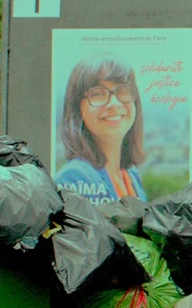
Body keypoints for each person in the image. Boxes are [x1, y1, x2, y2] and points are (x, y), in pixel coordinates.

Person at [55, 57, 147, 205]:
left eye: (123, 90)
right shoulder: (74, 178)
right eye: (97, 94)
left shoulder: (131, 175)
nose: (114, 103)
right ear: (77, 108)